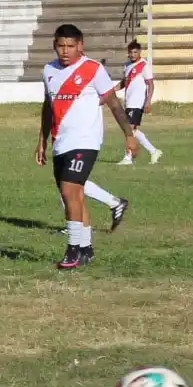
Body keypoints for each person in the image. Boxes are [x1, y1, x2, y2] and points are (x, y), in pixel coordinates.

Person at [38, 25, 138, 269]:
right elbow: (47, 107)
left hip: (86, 142)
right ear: (54, 44)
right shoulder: (49, 70)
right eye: (61, 45)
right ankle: (86, 249)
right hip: (60, 141)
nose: (65, 51)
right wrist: (41, 141)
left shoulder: (93, 69)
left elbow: (114, 104)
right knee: (75, 195)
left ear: (80, 46)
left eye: (70, 46)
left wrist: (129, 135)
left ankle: (72, 250)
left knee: (70, 191)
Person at [117, 40, 162, 165]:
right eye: (130, 52)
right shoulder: (127, 66)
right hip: (129, 103)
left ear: (139, 52)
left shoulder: (144, 65)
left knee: (129, 130)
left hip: (137, 103)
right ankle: (154, 151)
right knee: (133, 131)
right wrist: (110, 91)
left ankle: (128, 157)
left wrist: (148, 101)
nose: (132, 54)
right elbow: (123, 83)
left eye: (135, 52)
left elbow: (151, 84)